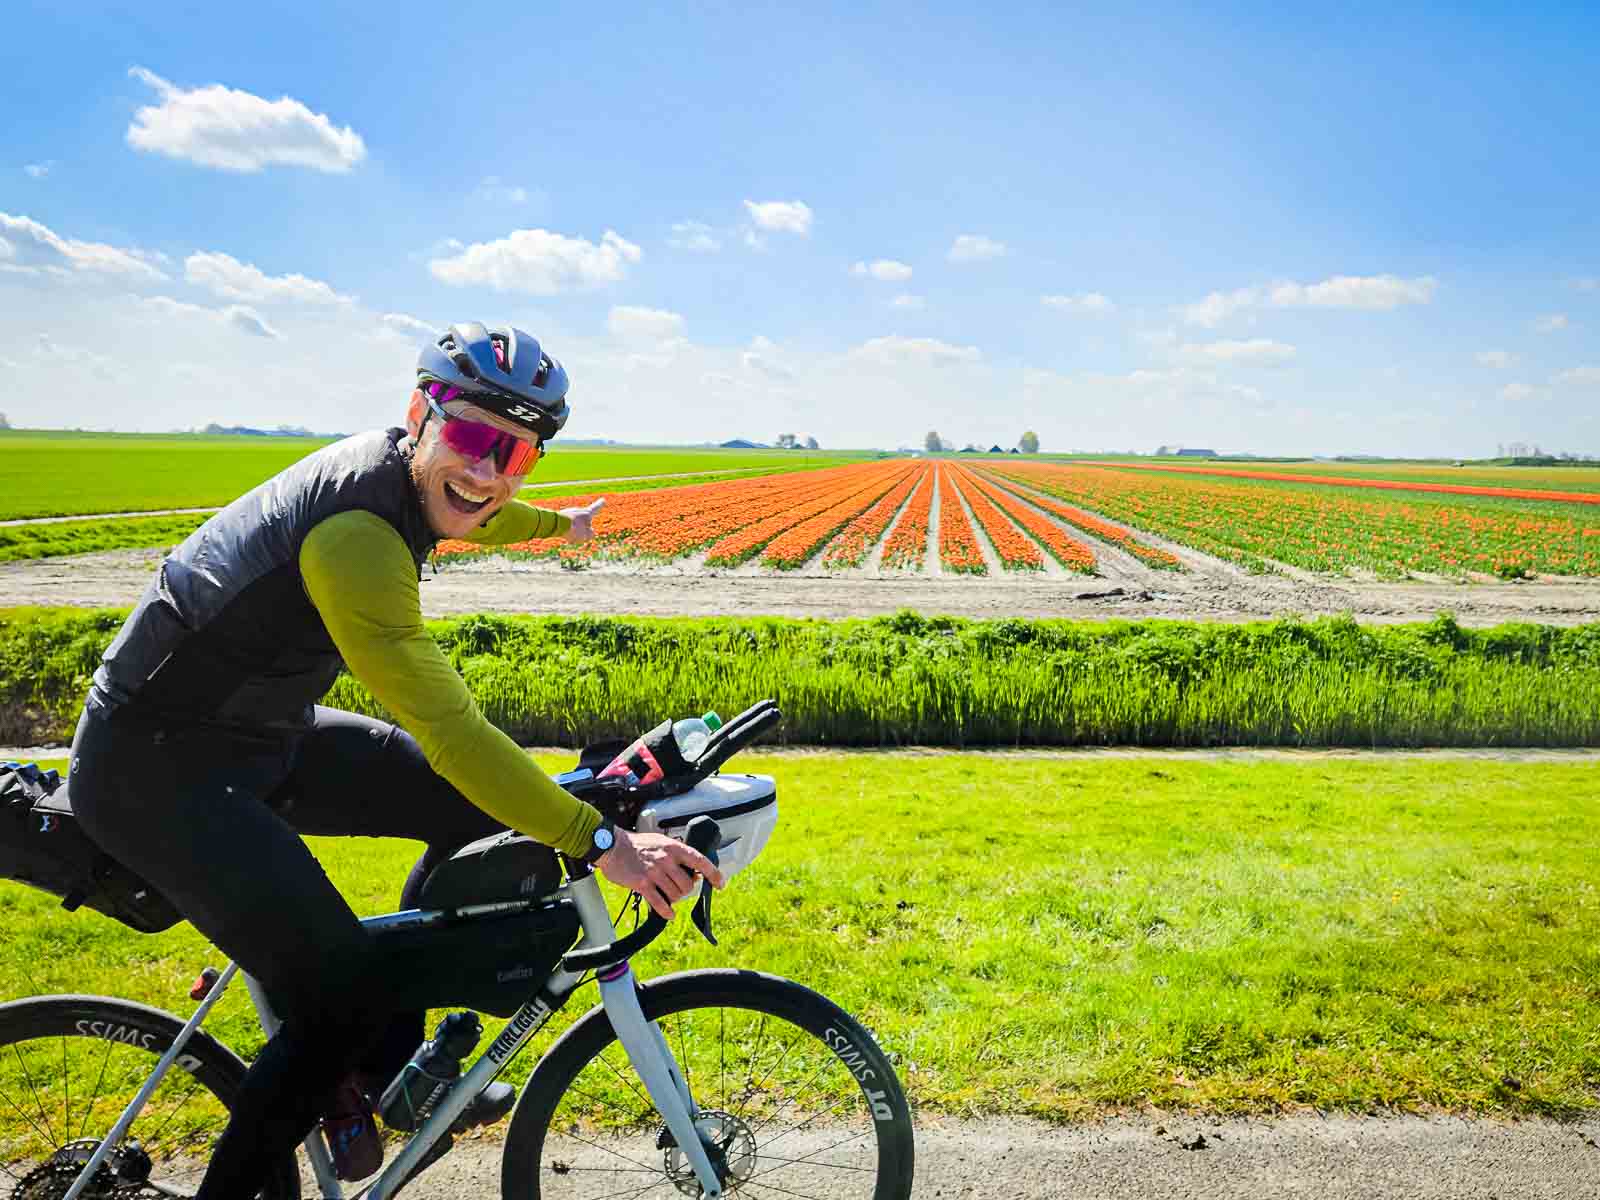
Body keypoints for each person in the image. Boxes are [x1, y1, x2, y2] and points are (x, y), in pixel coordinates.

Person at [65, 322, 723, 1196]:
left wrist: (557, 525)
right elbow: (452, 731)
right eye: (474, 439)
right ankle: (333, 1059)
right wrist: (602, 844)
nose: (490, 471)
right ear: (422, 412)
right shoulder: (357, 538)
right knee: (342, 991)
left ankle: (381, 1069)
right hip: (156, 765)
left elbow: (474, 508)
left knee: (472, 813)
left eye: (518, 454)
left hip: (255, 730)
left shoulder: (413, 476)